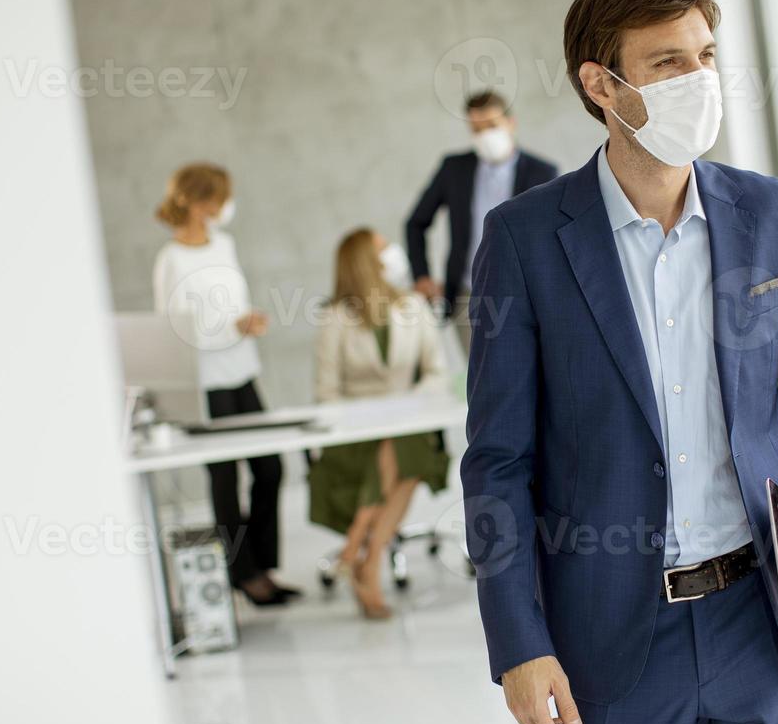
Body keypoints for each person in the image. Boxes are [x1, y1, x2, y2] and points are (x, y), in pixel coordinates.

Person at [461, 0, 778, 724]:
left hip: (759, 622)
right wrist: (519, 646)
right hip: (611, 636)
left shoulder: (770, 213)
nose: (698, 80)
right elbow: (498, 463)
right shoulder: (526, 241)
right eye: (668, 62)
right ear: (601, 84)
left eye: (706, 56)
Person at [152, 162, 299, 607]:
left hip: (242, 371)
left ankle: (262, 567)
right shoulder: (171, 259)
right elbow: (170, 329)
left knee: (270, 469)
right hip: (205, 382)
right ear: (200, 203)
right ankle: (245, 575)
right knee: (224, 478)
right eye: (221, 197)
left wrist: (247, 320)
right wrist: (230, 327)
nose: (226, 206)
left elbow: (231, 301)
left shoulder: (226, 244)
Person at [308, 228, 451, 620]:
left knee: (403, 446)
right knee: (400, 453)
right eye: (383, 247)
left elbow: (436, 373)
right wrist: (364, 423)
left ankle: (359, 552)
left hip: (408, 424)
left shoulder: (414, 307)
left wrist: (406, 409)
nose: (393, 252)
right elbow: (327, 390)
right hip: (356, 435)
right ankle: (365, 560)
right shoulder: (336, 317)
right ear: (365, 262)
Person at [404, 90, 558, 351]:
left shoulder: (542, 172)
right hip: (467, 295)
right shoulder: (454, 168)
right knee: (479, 383)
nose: (485, 135)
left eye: (491, 126)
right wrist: (422, 276)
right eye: (476, 129)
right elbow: (416, 222)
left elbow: (554, 235)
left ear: (511, 122)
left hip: (526, 294)